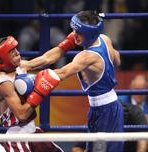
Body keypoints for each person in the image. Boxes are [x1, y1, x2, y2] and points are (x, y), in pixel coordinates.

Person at [24, 10, 124, 152]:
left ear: (89, 34)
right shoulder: (104, 38)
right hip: (99, 108)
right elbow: (53, 55)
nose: (74, 35)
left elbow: (62, 73)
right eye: (74, 30)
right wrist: (27, 65)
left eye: (79, 32)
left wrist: (31, 78)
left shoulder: (87, 56)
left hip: (107, 110)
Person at [0, 35, 76, 152]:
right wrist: (39, 92)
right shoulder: (4, 83)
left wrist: (70, 42)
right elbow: (22, 114)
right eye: (12, 52)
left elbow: (47, 58)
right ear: (1, 59)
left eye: (15, 49)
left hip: (32, 130)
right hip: (16, 137)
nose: (17, 53)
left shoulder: (20, 67)